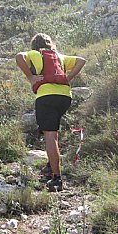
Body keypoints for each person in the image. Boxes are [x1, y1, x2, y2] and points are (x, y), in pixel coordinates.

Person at [15, 33, 86, 191]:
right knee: (53, 132)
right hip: (65, 97)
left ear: (35, 45)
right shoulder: (59, 57)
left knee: (50, 135)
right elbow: (81, 61)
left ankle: (57, 178)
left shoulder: (35, 54)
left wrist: (31, 78)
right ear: (50, 44)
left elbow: (19, 56)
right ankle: (50, 165)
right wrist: (68, 78)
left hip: (46, 96)